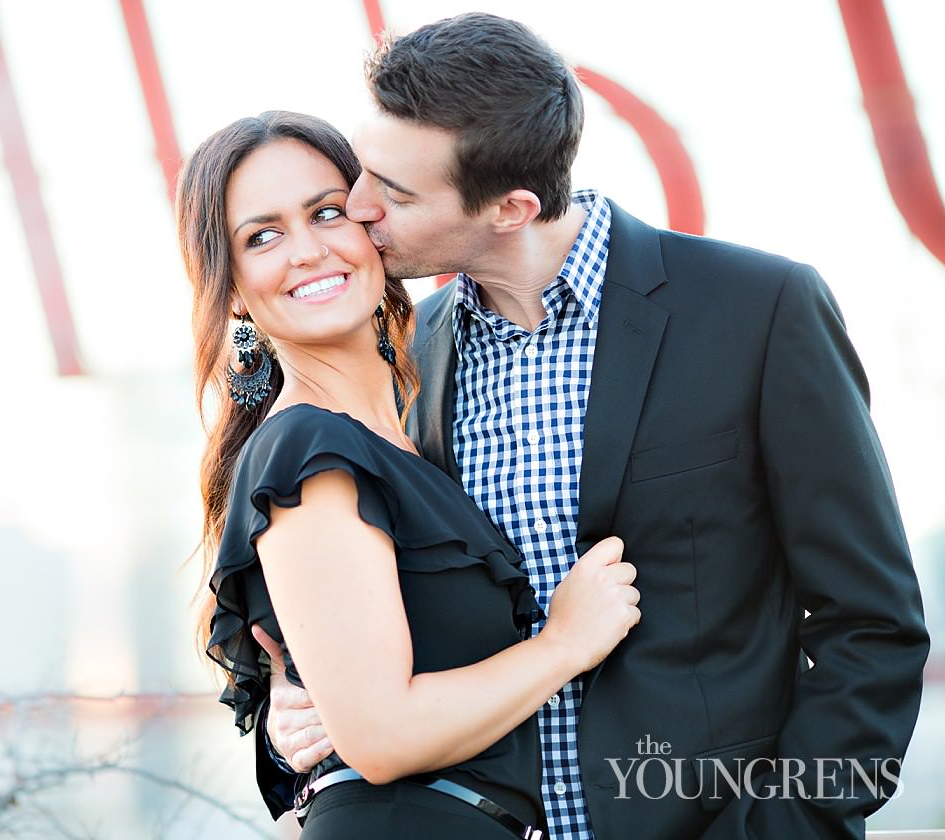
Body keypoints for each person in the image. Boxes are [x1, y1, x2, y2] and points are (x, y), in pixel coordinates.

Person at [260, 13, 930, 840]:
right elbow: (387, 623)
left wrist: (790, 828)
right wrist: (302, 705)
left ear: (510, 207)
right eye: (366, 173)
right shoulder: (409, 358)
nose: (358, 209)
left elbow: (874, 626)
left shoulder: (758, 312)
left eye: (394, 193)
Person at [177, 110, 641, 839]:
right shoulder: (307, 450)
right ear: (233, 286)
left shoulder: (412, 421)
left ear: (373, 220)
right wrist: (564, 644)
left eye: (327, 213)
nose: (306, 251)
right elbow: (381, 739)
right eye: (261, 236)